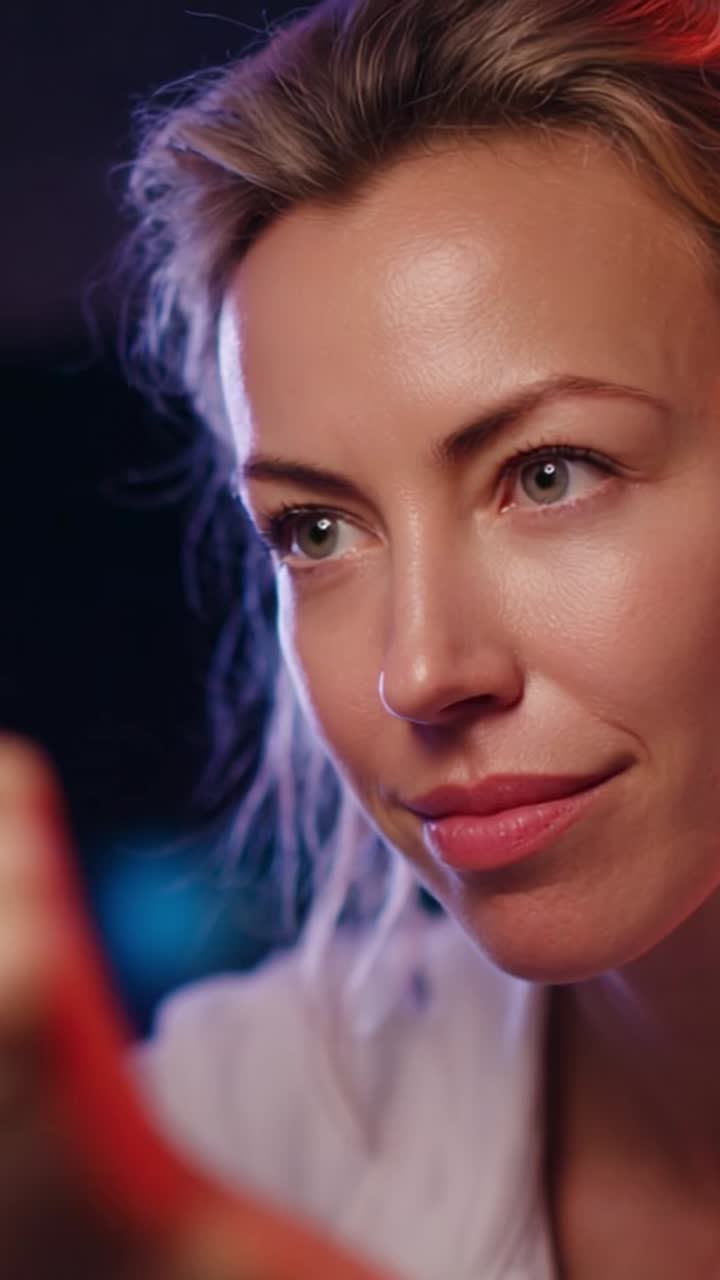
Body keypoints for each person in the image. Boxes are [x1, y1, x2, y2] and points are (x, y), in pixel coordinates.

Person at [4, 0, 720, 1276]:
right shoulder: (230, 1116)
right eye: (319, 531)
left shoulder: (161, 1200)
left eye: (549, 472)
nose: (422, 670)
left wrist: (176, 1243)